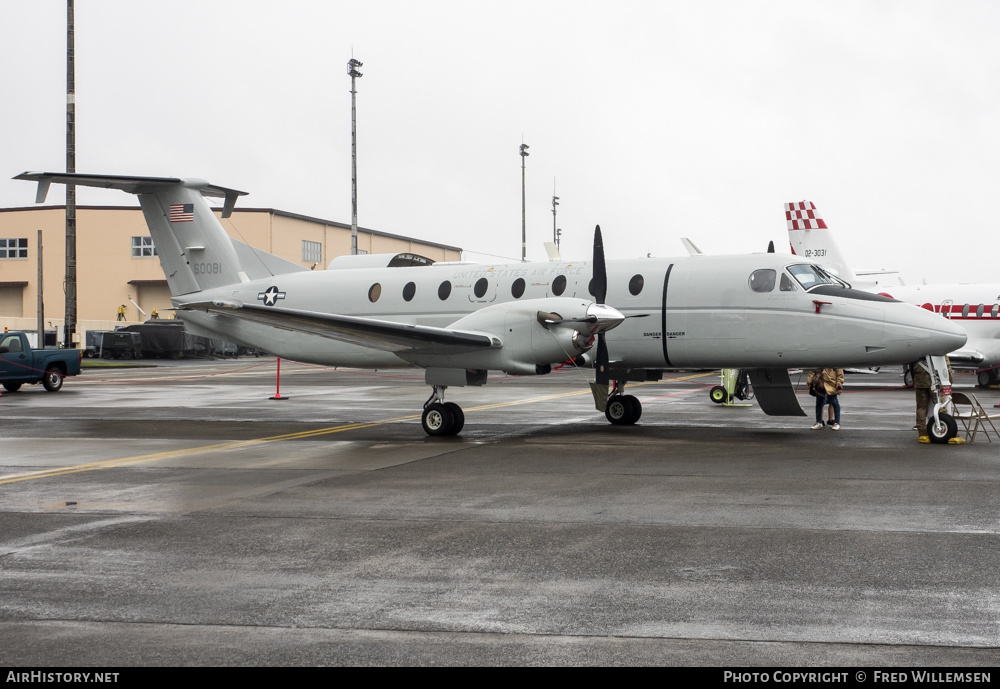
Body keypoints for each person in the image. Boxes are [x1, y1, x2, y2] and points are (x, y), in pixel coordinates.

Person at [909, 356, 953, 443]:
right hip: (934, 380)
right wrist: (949, 380)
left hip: (920, 380)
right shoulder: (938, 349)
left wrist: (915, 380)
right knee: (941, 406)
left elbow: (911, 366)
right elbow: (946, 365)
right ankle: (944, 427)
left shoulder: (917, 351)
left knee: (921, 408)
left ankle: (922, 432)